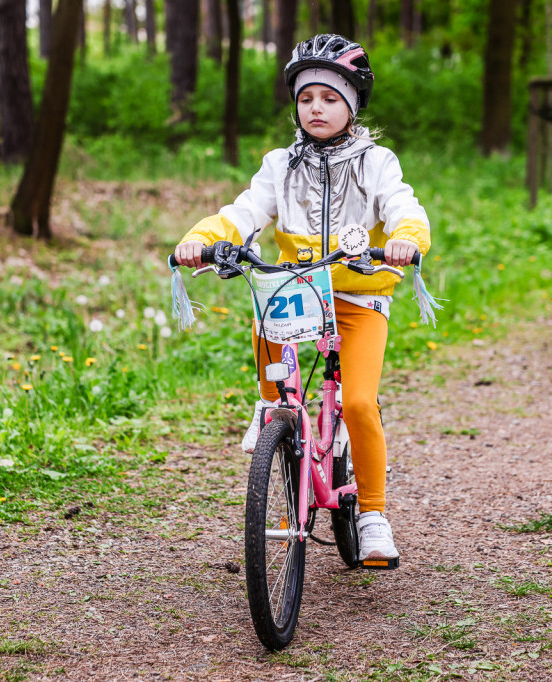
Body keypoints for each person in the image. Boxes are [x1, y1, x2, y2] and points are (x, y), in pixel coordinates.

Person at [173, 34, 431, 565]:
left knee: (358, 402)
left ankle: (373, 514)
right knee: (267, 301)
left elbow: (405, 205)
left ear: (352, 105)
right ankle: (272, 406)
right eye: (307, 97)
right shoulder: (280, 164)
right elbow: (243, 212)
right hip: (301, 292)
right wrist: (202, 238)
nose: (317, 108)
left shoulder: (376, 162)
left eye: (331, 98)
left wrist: (406, 237)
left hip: (359, 299)